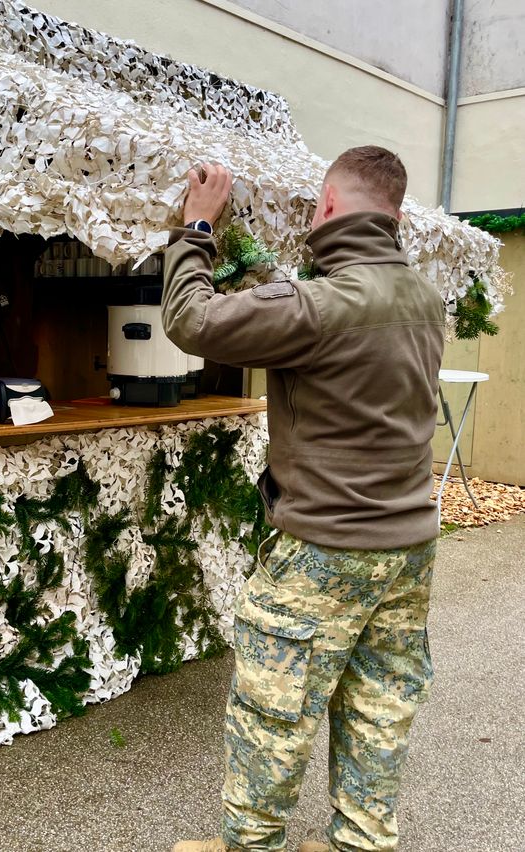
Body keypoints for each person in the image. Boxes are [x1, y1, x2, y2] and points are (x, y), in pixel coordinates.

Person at [161, 146, 444, 852]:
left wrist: (196, 231)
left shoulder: (319, 305)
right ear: (395, 216)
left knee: (273, 710)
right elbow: (306, 319)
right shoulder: (422, 299)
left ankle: (250, 847)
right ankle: (361, 843)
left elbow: (193, 322)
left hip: (325, 546)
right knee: (381, 703)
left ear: (324, 207)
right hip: (409, 547)